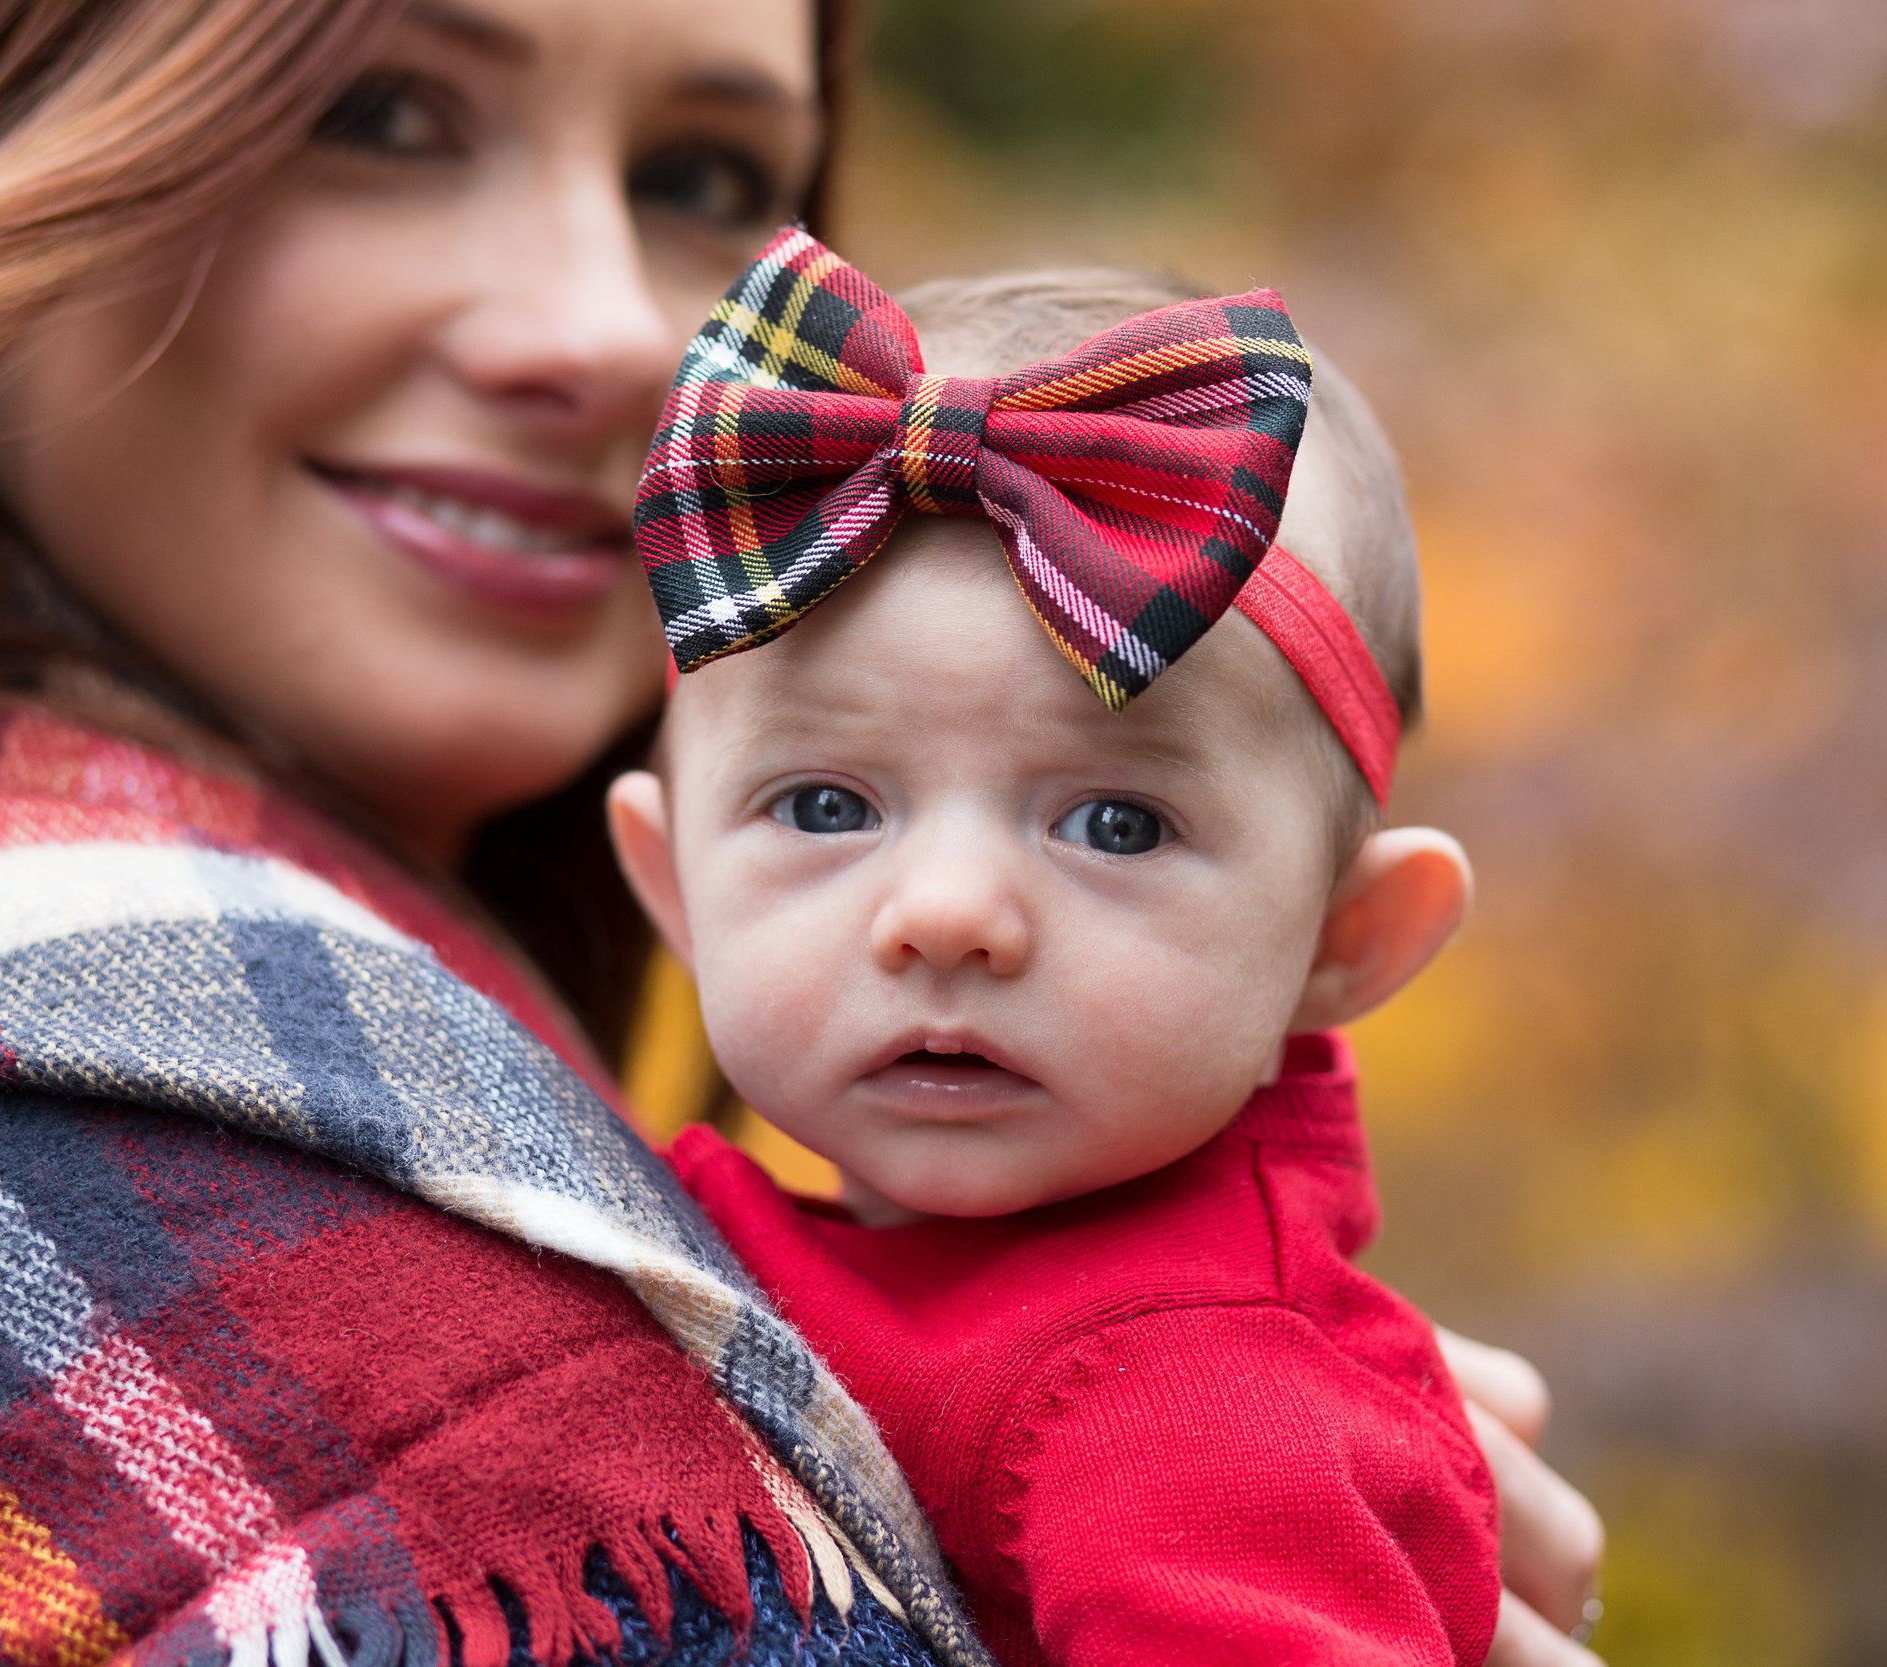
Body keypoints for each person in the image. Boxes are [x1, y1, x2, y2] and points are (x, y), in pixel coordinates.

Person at [0, 1, 1601, 1663]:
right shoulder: (89, 1071)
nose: (616, 339)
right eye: (380, 117)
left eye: (704, 175)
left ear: (1348, 941)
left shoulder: (1184, 1394)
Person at [611, 234, 1499, 1666]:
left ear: (1348, 943)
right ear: (673, 885)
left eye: (1117, 824)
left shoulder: (1195, 1406)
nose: (950, 911)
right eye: (827, 805)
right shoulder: (644, 1208)